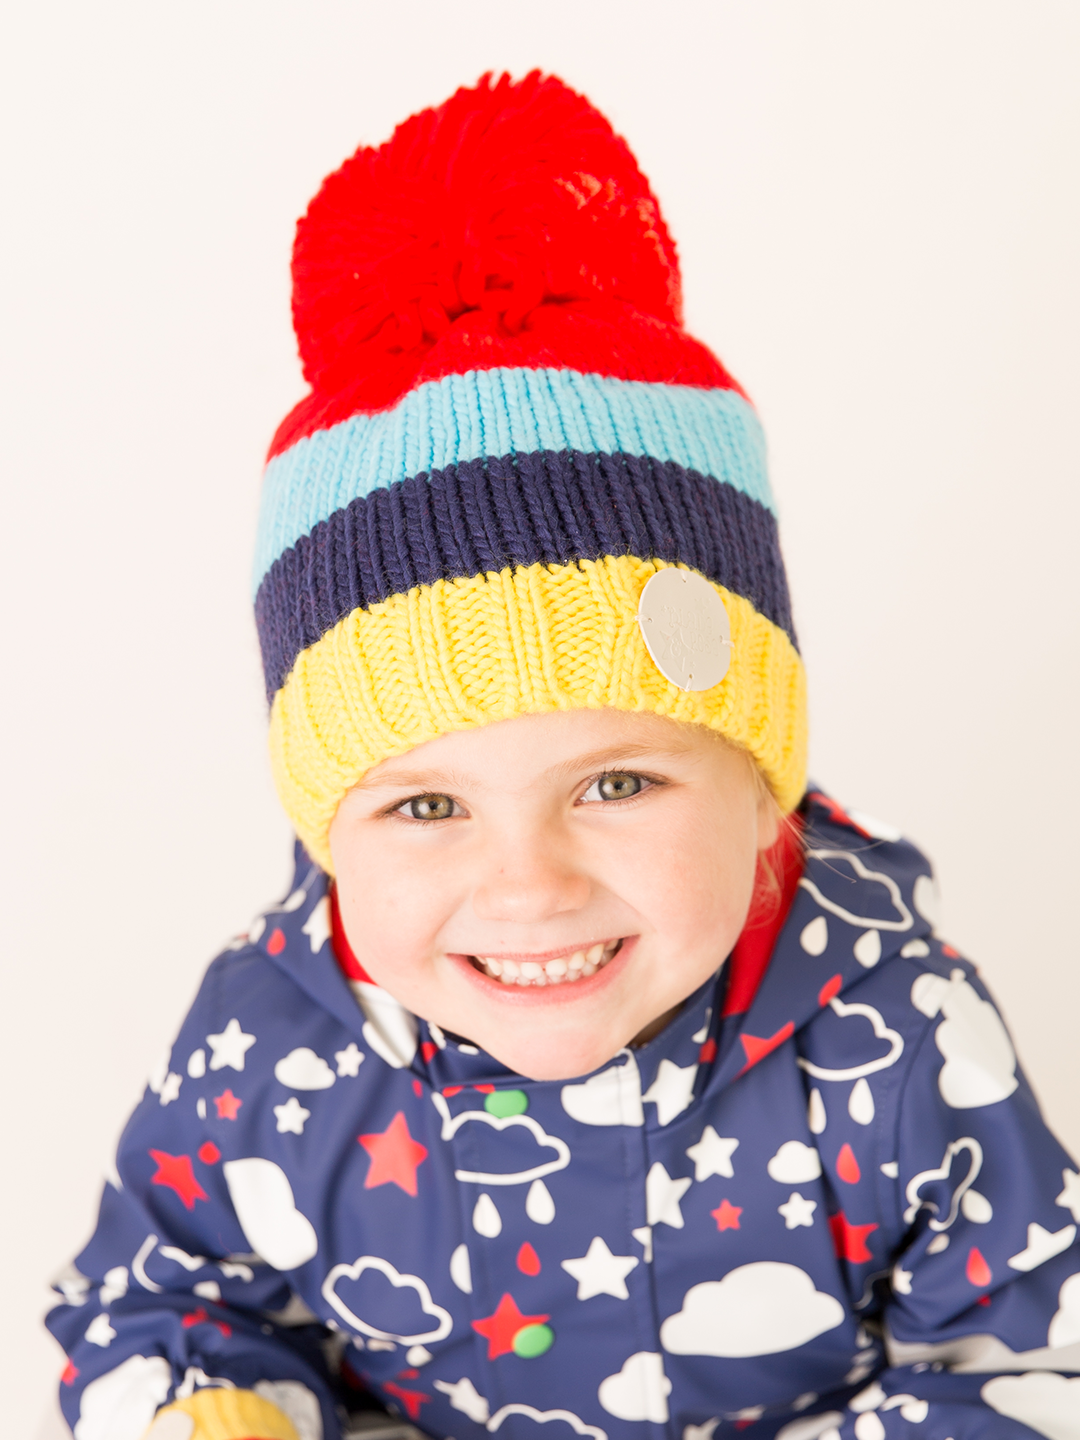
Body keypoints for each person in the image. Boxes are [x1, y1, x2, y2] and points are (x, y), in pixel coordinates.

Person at [46, 71, 1080, 1440]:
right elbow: (151, 1299)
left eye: (617, 783)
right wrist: (215, 1410)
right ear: (326, 825)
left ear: (758, 787)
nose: (527, 885)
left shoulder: (895, 1034)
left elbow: (1021, 1365)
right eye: (426, 805)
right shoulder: (268, 1041)